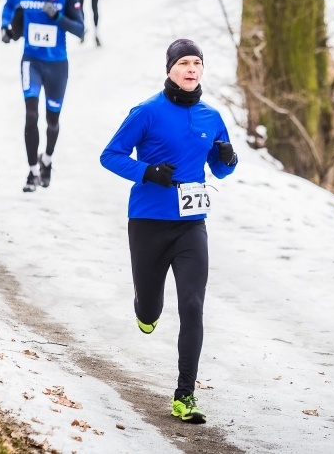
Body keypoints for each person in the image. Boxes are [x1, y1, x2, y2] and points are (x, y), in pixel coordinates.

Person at [100, 39, 238, 424]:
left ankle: (185, 394)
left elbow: (222, 166)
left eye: (197, 63)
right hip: (148, 222)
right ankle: (145, 311)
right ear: (170, 69)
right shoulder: (146, 112)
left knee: (193, 306)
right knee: (150, 308)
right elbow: (109, 155)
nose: (191, 69)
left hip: (192, 226)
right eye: (184, 63)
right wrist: (146, 172)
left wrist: (228, 159)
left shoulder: (211, 116)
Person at [1, 0, 85, 193]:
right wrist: (6, 29)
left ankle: (46, 159)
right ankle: (32, 171)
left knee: (52, 120)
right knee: (30, 114)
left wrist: (58, 16)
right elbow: (9, 10)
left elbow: (80, 30)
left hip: (57, 65)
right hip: (31, 61)